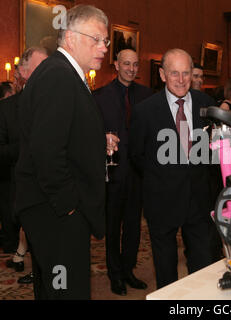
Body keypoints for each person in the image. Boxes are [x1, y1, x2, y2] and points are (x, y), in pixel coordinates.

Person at [15, 4, 113, 300]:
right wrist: (68, 205)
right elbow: (46, 149)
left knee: (55, 290)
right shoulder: (58, 75)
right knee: (67, 292)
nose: (103, 48)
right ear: (69, 37)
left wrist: (98, 140)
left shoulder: (64, 73)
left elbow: (63, 132)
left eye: (105, 41)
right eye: (96, 39)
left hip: (54, 208)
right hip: (56, 210)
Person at [129, 48, 214, 289]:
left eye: (186, 73)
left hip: (198, 200)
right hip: (161, 200)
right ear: (162, 74)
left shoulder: (206, 105)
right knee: (166, 271)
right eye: (174, 73)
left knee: (203, 266)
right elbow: (136, 155)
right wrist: (161, 176)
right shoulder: (144, 111)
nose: (181, 79)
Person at [93, 48, 153, 296]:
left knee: (133, 227)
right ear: (116, 65)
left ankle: (128, 270)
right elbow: (91, 133)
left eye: (135, 64)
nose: (131, 68)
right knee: (112, 226)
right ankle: (114, 273)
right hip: (112, 172)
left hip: (138, 174)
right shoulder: (99, 96)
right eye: (126, 63)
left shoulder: (147, 96)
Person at [0, 47, 48, 265]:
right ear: (24, 72)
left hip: (54, 191)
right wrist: (30, 145)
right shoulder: (6, 109)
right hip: (20, 189)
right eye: (40, 68)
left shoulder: (60, 104)